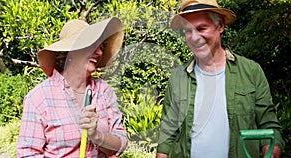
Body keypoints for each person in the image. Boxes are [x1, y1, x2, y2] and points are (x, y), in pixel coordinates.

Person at [156, 0, 285, 157]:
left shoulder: (251, 71)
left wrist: (271, 149)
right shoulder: (178, 77)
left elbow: (269, 126)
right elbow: (167, 133)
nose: (194, 37)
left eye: (201, 28)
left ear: (220, 26)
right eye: (188, 31)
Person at [17, 17, 128, 157]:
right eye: (93, 45)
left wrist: (96, 135)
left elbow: (121, 142)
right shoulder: (40, 97)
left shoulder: (104, 91)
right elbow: (28, 154)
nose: (100, 52)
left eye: (101, 47)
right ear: (70, 51)